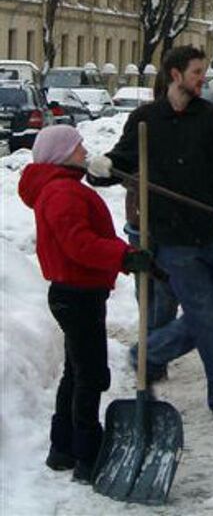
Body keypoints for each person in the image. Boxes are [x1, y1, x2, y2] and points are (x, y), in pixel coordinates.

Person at [88, 45, 213, 426]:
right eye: (196, 72)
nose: (202, 78)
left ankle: (147, 352)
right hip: (174, 241)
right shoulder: (146, 121)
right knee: (205, 316)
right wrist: (102, 168)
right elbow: (121, 161)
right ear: (175, 74)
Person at [18, 125, 157, 483]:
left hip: (75, 292)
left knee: (77, 372)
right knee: (90, 375)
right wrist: (123, 256)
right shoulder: (62, 192)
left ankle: (62, 448)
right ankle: (87, 455)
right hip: (76, 294)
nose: (84, 151)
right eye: (77, 147)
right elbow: (78, 244)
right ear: (63, 154)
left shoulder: (62, 187)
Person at [122, 67, 178, 382]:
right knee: (146, 288)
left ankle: (154, 352)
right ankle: (150, 348)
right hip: (140, 217)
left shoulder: (191, 122)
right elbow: (123, 161)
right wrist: (133, 177)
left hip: (175, 222)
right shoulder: (141, 119)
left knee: (168, 290)